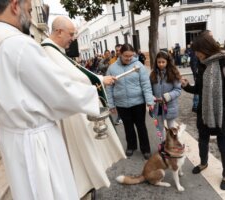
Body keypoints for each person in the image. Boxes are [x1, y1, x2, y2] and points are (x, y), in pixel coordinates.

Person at [0, 1, 101, 200]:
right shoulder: (18, 43)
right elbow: (59, 91)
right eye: (30, 10)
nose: (31, 17)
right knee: (48, 191)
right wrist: (93, 92)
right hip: (36, 141)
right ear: (15, 5)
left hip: (10, 137)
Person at [41, 16, 126, 199]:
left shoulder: (54, 50)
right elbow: (77, 76)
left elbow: (77, 72)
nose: (73, 38)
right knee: (78, 153)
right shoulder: (49, 50)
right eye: (71, 34)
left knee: (82, 152)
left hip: (70, 107)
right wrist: (102, 80)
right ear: (59, 31)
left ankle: (86, 185)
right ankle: (84, 186)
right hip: (68, 113)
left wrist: (101, 80)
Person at [181, 31, 225, 190]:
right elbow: (200, 90)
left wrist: (223, 110)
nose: (195, 54)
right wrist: (186, 86)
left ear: (205, 48)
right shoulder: (203, 64)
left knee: (223, 144)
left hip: (223, 114)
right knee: (203, 140)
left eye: (197, 51)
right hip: (205, 111)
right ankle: (203, 163)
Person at [106, 43, 154, 160]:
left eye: (131, 56)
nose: (128, 58)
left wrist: (149, 101)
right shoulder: (112, 68)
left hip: (138, 102)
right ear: (120, 54)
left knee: (141, 126)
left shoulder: (138, 66)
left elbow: (145, 85)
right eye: (126, 56)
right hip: (122, 103)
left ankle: (145, 149)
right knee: (128, 126)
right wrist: (111, 104)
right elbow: (109, 88)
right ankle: (131, 146)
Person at [150, 51, 182, 141]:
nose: (160, 64)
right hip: (157, 107)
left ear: (167, 62)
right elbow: (149, 89)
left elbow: (178, 90)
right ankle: (163, 145)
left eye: (163, 62)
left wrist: (167, 97)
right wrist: (152, 97)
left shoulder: (173, 73)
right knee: (159, 128)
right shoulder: (153, 74)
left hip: (170, 106)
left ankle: (172, 145)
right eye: (158, 62)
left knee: (171, 128)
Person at [109, 44, 123, 125]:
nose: (118, 52)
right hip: (115, 83)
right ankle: (119, 116)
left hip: (123, 83)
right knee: (117, 101)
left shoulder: (125, 59)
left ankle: (122, 116)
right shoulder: (112, 61)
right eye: (116, 50)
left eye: (119, 50)